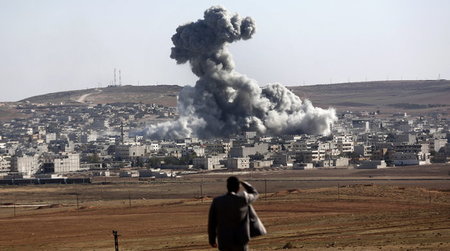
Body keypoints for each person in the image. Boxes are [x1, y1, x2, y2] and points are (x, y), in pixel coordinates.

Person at [208, 176, 259, 251]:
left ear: (227, 186)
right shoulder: (243, 198)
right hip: (241, 240)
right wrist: (244, 183)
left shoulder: (217, 201)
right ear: (238, 187)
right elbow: (255, 193)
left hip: (224, 241)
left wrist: (212, 239)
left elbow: (212, 223)